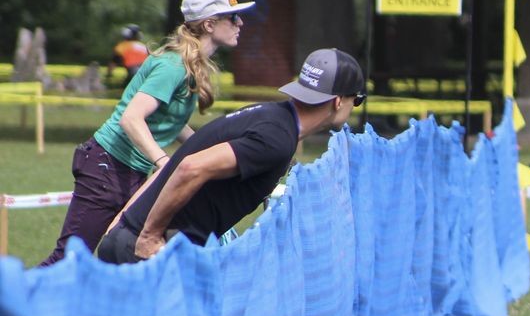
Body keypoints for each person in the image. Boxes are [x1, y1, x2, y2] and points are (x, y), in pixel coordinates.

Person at [39, 0, 255, 267]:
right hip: (106, 166)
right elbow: (132, 118)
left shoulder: (190, 65)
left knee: (133, 255)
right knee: (67, 262)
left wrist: (207, 151)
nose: (240, 22)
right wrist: (164, 161)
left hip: (130, 172)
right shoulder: (173, 66)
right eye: (233, 17)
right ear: (210, 25)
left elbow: (171, 122)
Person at [97, 48, 366, 265]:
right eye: (357, 99)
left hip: (137, 244)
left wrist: (123, 224)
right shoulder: (276, 138)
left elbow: (174, 168)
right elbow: (190, 167)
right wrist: (148, 235)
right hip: (148, 253)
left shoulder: (269, 117)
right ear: (338, 101)